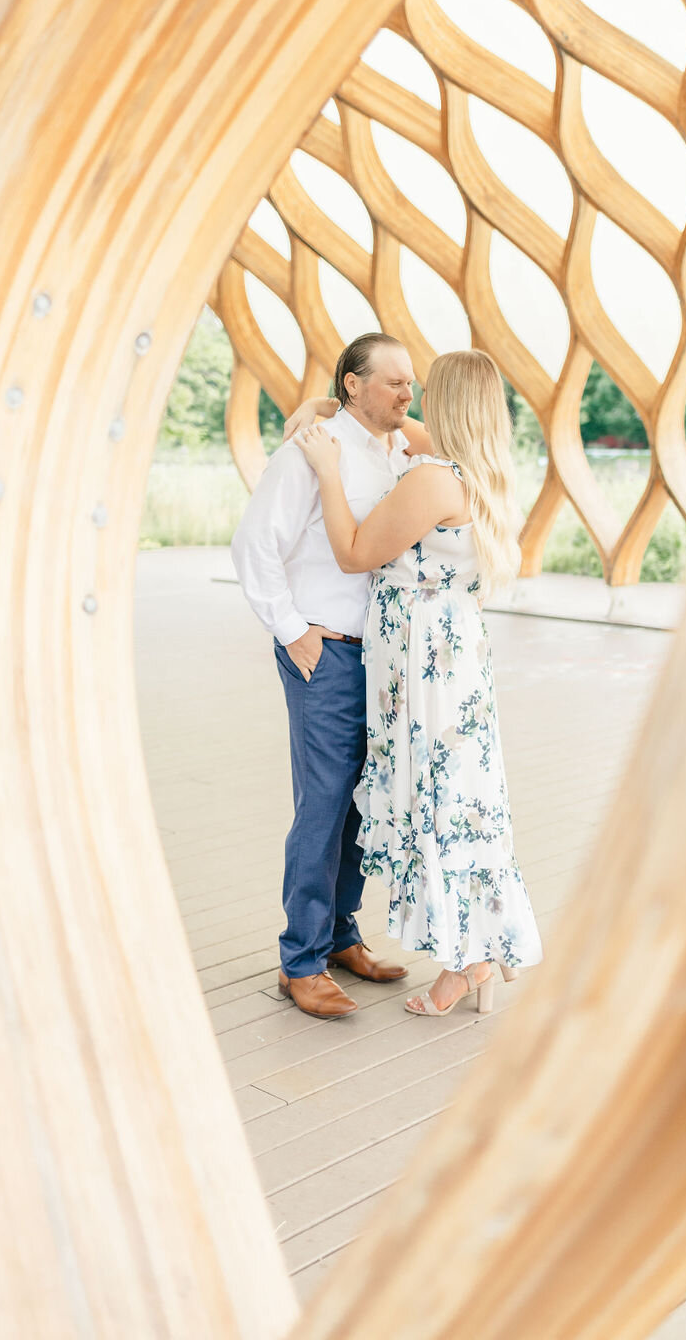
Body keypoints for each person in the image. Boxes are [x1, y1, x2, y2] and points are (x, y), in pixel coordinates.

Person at [294, 349, 542, 1018]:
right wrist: (322, 409)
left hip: (421, 667)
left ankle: (464, 964)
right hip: (459, 660)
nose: (412, 399)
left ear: (450, 402)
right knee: (468, 798)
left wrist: (326, 470)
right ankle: (487, 944)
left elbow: (351, 552)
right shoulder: (485, 472)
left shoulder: (433, 480)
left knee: (432, 802)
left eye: (424, 390)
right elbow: (404, 431)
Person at [231, 332, 423, 1018]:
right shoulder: (309, 452)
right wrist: (292, 631)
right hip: (327, 650)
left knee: (360, 803)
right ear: (353, 384)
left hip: (382, 657)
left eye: (412, 382)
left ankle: (343, 934)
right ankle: (301, 960)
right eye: (394, 382)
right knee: (322, 806)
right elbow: (253, 545)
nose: (408, 392)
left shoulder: (397, 449)